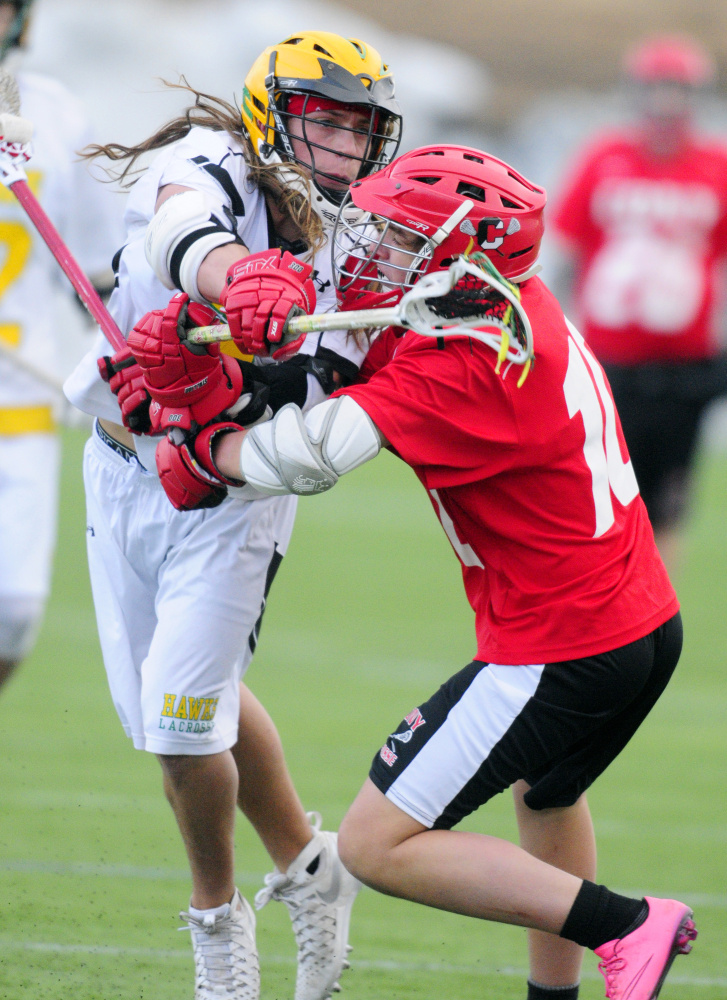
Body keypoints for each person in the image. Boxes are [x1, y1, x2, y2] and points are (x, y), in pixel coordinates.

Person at [207, 145, 698, 1000]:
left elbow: (303, 459)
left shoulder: (467, 363)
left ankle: (626, 925)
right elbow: (367, 349)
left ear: (461, 260)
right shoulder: (504, 305)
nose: (372, 250)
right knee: (543, 795)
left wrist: (196, 439)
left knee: (374, 844)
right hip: (638, 624)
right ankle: (559, 995)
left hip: (563, 645)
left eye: (399, 237)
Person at [63, 30, 402, 1000]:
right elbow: (180, 231)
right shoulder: (205, 163)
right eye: (324, 120)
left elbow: (321, 394)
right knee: (185, 705)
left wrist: (222, 394)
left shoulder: (357, 238)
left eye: (358, 128)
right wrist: (232, 276)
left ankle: (217, 927)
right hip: (123, 470)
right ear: (272, 117)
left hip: (230, 495)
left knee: (179, 726)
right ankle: (310, 864)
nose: (340, 145)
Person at [548, 33, 727, 578]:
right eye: (657, 89)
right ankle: (600, 602)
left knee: (667, 501)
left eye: (678, 91)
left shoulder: (716, 166)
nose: (667, 104)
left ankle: (653, 609)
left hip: (685, 366)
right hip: (608, 361)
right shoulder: (604, 157)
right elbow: (566, 251)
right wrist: (555, 334)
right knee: (595, 495)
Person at [0, 0, 121, 691]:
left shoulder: (55, 113)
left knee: (13, 613)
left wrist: (129, 356)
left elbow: (99, 267)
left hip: (20, 409)